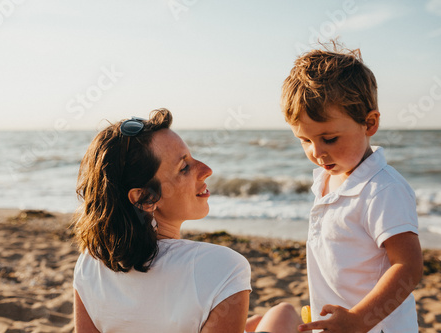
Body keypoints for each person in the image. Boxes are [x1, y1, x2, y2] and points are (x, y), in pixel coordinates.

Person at [72, 108, 303, 333]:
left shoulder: (90, 264)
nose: (206, 170)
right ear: (144, 198)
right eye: (184, 167)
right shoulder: (224, 268)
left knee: (264, 319)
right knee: (284, 313)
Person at [280, 44, 423, 333]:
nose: (317, 153)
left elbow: (408, 268)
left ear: (369, 123)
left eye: (329, 138)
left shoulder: (382, 189)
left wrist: (359, 319)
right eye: (305, 140)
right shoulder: (326, 179)